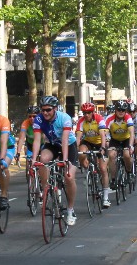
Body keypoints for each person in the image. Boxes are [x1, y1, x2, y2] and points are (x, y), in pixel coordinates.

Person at [30, 95, 77, 225]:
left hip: (69, 145)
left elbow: (65, 140)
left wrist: (65, 160)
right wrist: (33, 159)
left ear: (55, 109)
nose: (45, 113)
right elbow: (37, 140)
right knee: (42, 159)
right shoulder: (38, 119)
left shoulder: (64, 118)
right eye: (43, 110)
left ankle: (70, 210)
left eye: (48, 110)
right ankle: (47, 190)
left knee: (69, 177)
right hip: (52, 144)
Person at [74, 102, 111, 207]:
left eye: (89, 112)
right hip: (88, 142)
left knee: (103, 169)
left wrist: (103, 147)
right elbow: (78, 137)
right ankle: (88, 170)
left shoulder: (99, 119)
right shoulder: (81, 121)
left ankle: (105, 198)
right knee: (81, 152)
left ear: (93, 112)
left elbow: (103, 135)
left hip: (99, 142)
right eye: (84, 113)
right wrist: (75, 149)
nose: (86, 115)